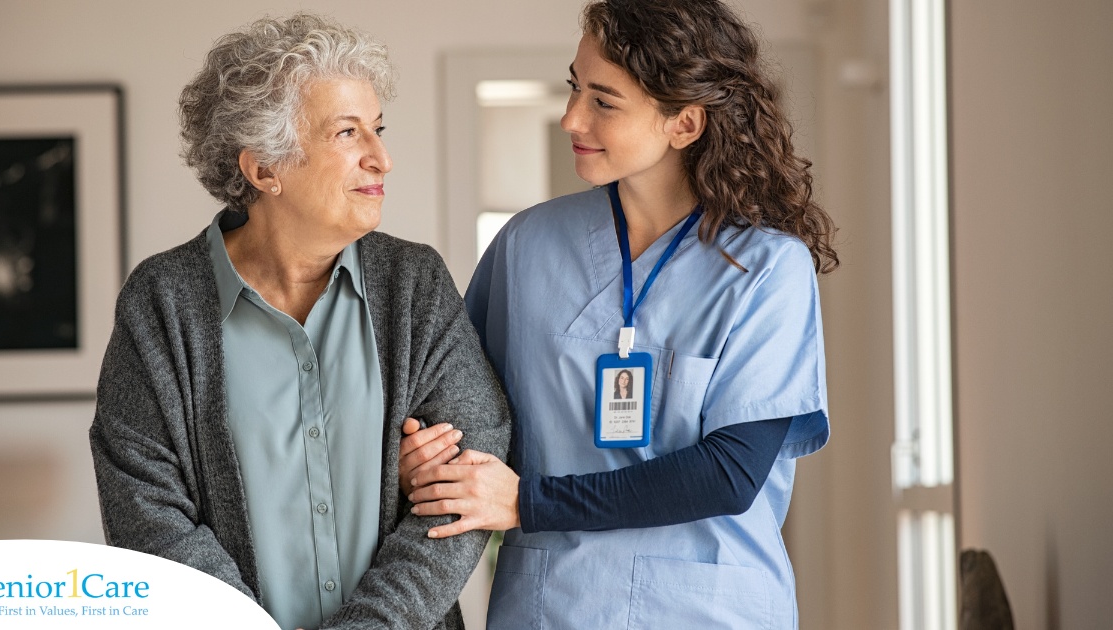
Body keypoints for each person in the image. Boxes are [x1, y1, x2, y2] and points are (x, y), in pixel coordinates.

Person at [398, 0, 837, 627]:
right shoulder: (527, 246)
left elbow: (730, 473)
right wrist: (431, 457)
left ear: (684, 124)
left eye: (604, 101)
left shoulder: (767, 269)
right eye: (575, 88)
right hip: (551, 607)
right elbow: (460, 413)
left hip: (707, 612)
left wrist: (529, 501)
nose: (571, 116)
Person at [88, 14, 510, 630]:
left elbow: (469, 476)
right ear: (264, 170)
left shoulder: (413, 283)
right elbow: (144, 509)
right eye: (347, 133)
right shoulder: (162, 302)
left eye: (378, 129)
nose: (382, 158)